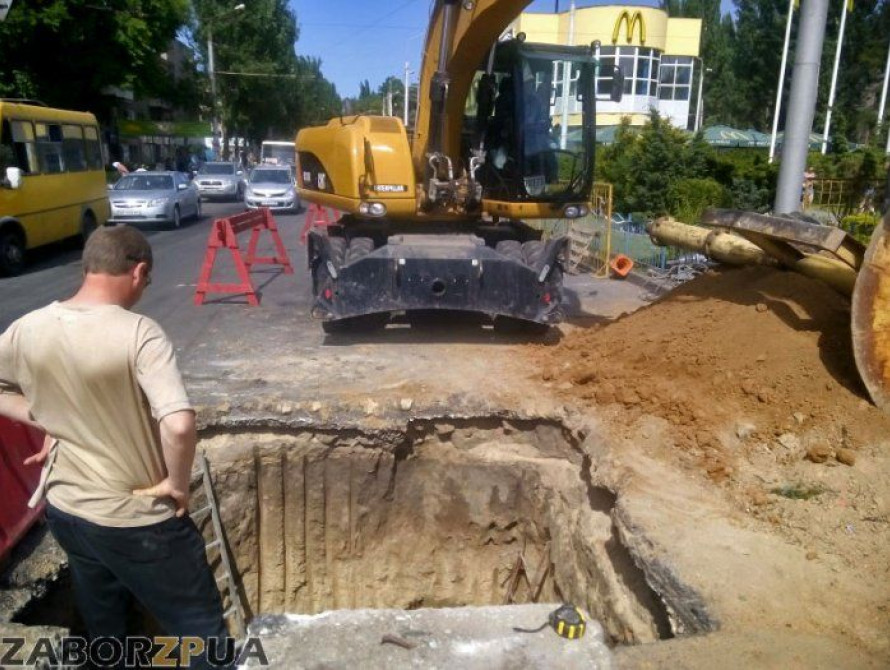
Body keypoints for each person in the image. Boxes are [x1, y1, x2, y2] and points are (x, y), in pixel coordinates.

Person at [0, 226, 230, 668]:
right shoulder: (139, 332)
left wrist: (46, 416)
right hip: (136, 521)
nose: (144, 290)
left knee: (106, 626)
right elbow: (179, 425)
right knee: (202, 634)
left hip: (68, 510)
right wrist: (177, 485)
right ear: (138, 270)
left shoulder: (28, 327)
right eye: (146, 281)